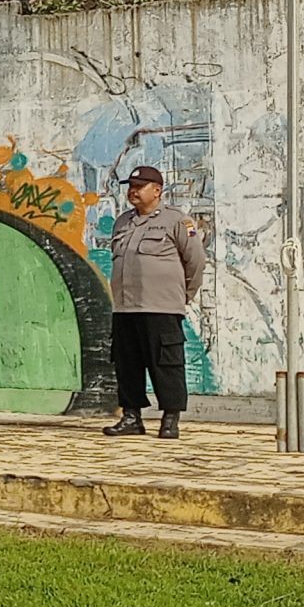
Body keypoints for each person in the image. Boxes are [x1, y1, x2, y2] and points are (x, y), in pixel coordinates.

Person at [105, 165, 205, 439]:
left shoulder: (177, 222)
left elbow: (195, 262)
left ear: (157, 190)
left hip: (161, 307)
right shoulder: (123, 222)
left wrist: (183, 296)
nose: (133, 191)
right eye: (131, 186)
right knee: (127, 364)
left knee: (167, 364)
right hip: (125, 308)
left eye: (140, 186)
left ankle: (170, 420)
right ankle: (131, 416)